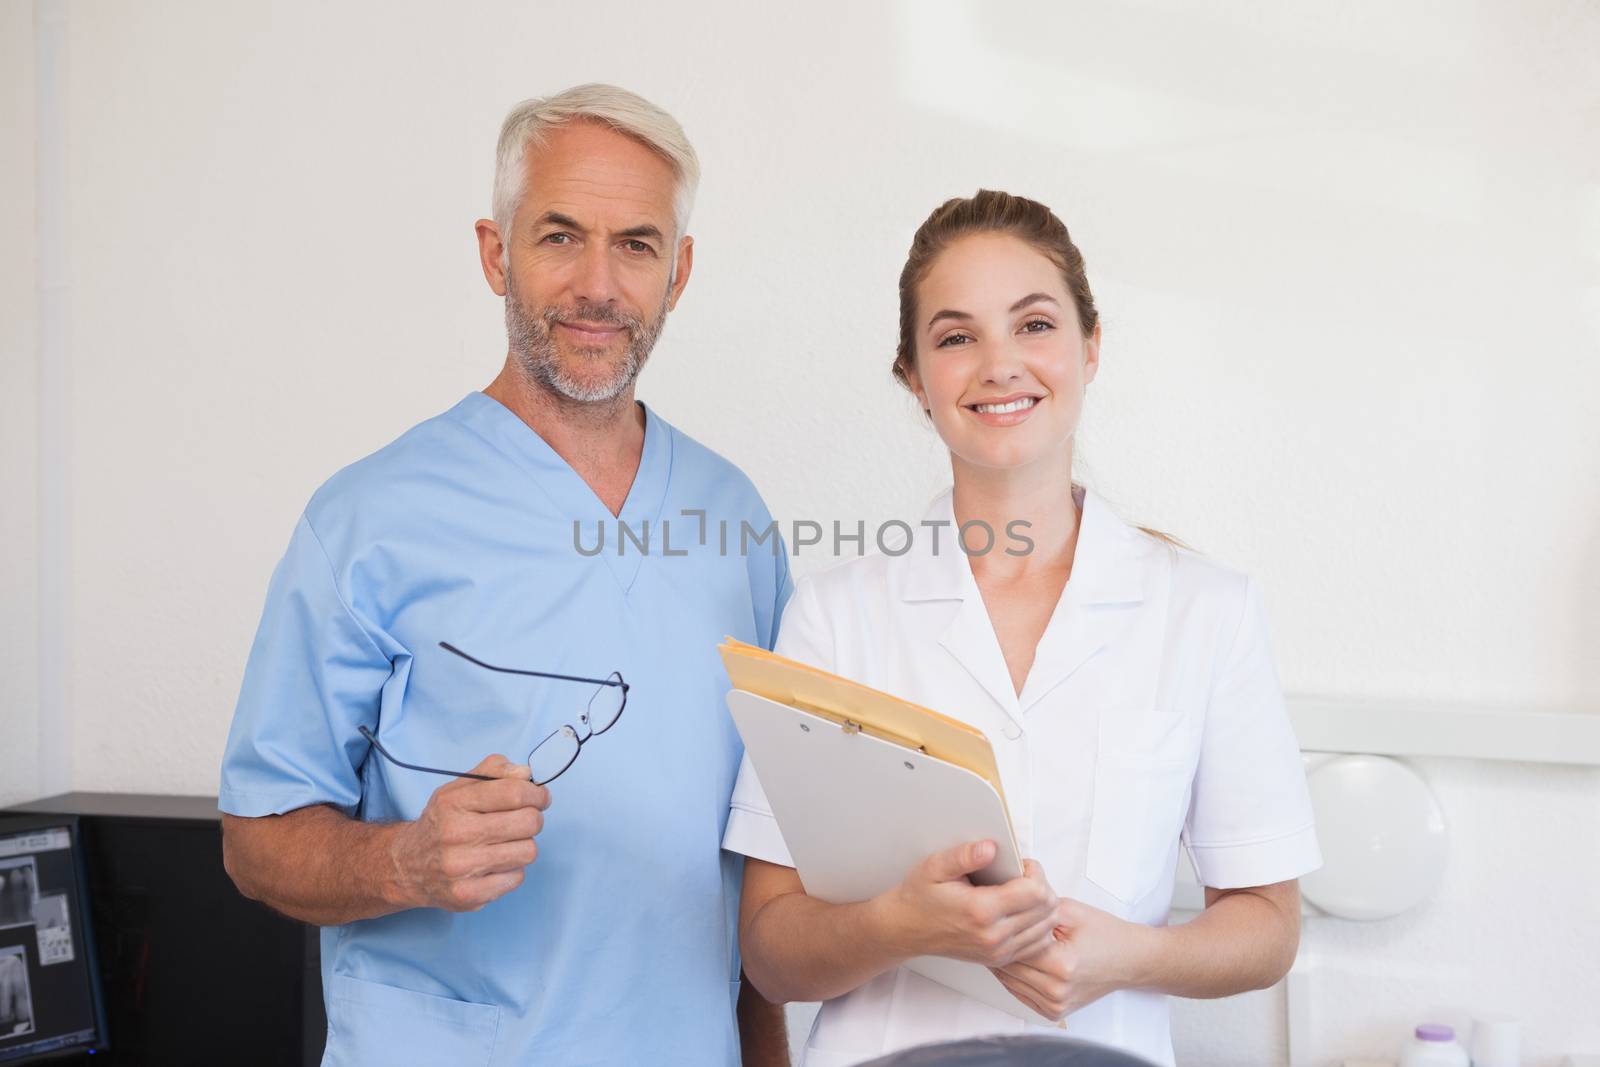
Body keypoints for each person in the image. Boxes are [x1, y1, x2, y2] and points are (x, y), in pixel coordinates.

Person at [219, 84, 790, 1066]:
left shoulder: (732, 518)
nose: (599, 286)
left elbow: (763, 851)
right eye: (561, 236)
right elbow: (257, 838)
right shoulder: (368, 519)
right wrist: (400, 859)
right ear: (495, 252)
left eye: (637, 245)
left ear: (679, 272)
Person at [723, 190, 1320, 1067]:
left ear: (1091, 346)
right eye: (957, 336)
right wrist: (900, 924)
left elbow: (1268, 927)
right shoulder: (835, 613)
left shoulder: (1205, 610)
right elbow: (770, 953)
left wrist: (1131, 956)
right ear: (914, 378)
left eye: (1033, 324)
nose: (1000, 365)